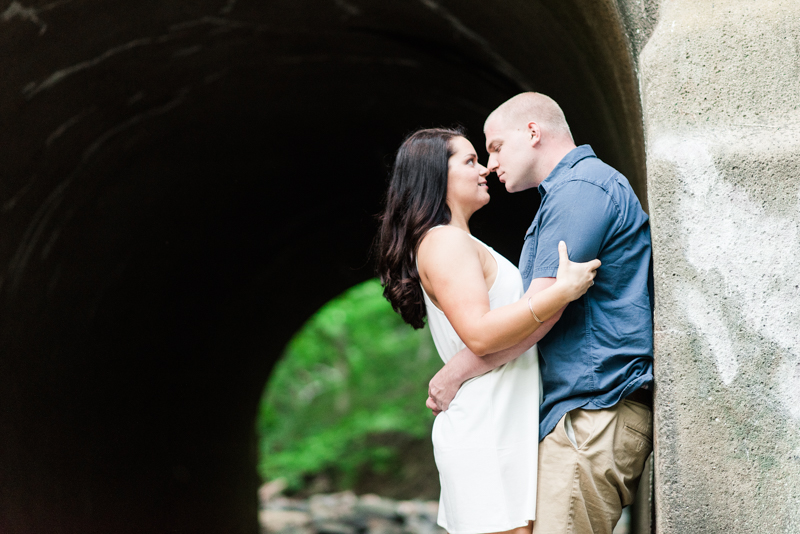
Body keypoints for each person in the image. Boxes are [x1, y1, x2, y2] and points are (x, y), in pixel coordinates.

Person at [426, 93, 654, 534]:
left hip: (591, 412)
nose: (490, 164)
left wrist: (455, 373)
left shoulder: (579, 192)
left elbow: (539, 315)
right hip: (582, 414)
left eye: (494, 147)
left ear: (532, 133)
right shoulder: (566, 195)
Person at [376, 127, 601, 534]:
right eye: (469, 161)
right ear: (435, 177)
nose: (484, 169)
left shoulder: (456, 241)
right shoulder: (445, 242)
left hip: (498, 427)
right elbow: (479, 333)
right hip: (486, 432)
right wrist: (562, 292)